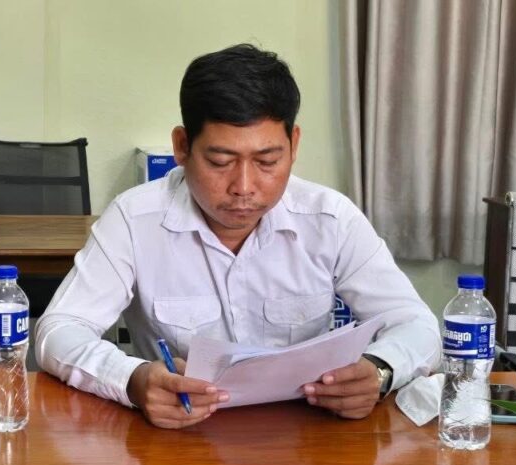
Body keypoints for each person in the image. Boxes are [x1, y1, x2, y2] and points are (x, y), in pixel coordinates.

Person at [34, 44, 441, 429]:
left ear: (293, 145)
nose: (243, 187)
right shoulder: (135, 220)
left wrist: (379, 370)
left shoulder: (330, 219)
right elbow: (59, 330)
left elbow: (416, 324)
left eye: (267, 161)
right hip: (178, 435)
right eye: (220, 161)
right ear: (181, 146)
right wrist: (133, 379)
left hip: (308, 435)